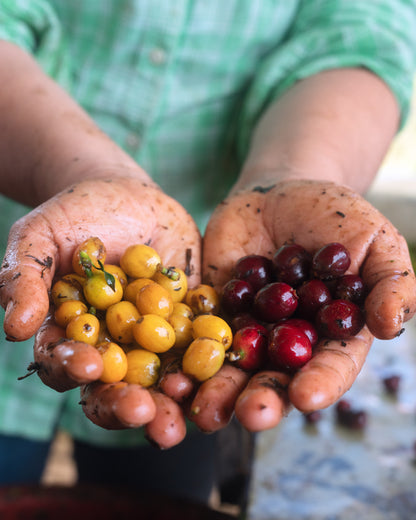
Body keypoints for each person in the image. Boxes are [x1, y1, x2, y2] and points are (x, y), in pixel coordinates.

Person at [0, 0, 416, 508]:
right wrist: (79, 172)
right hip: (29, 223)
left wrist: (296, 170)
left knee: (159, 489)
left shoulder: (206, 326)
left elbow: (362, 32)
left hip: (211, 274)